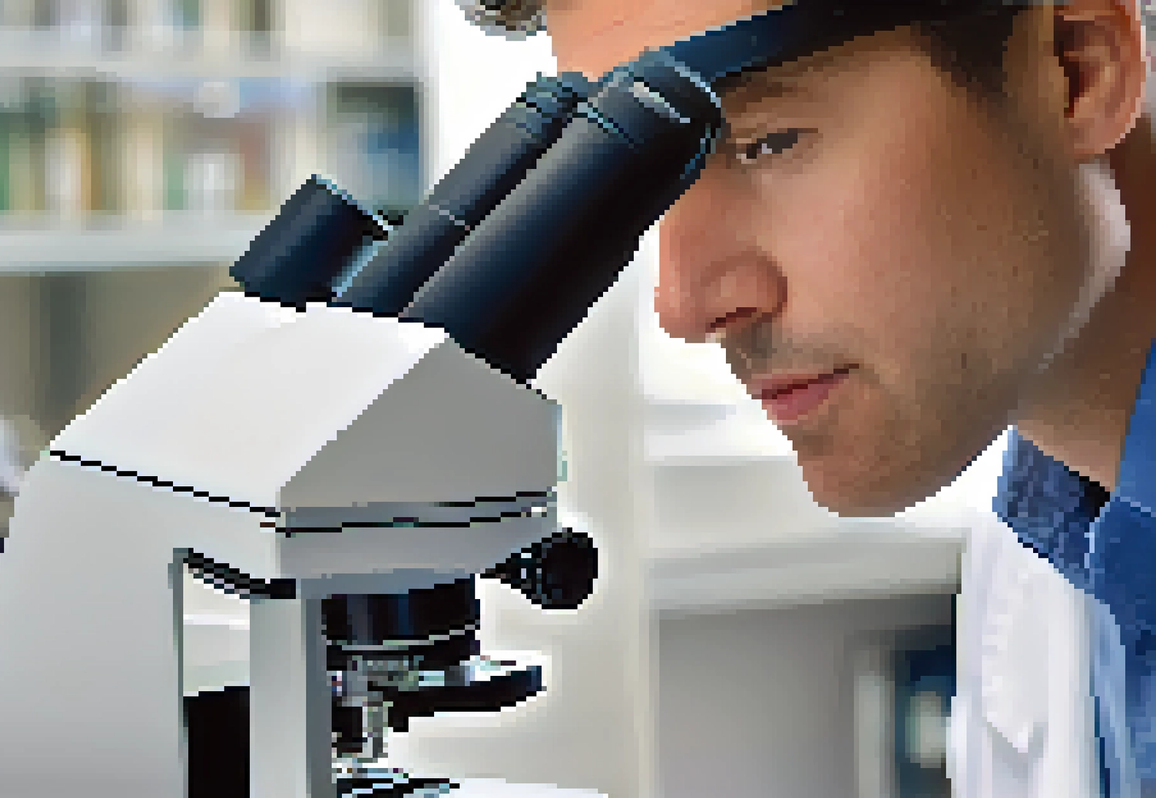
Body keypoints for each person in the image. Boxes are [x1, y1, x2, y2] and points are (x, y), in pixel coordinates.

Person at [459, 0, 1155, 796]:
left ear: (1079, 69)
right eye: (648, 187)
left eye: (768, 141)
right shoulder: (1051, 560)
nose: (684, 305)